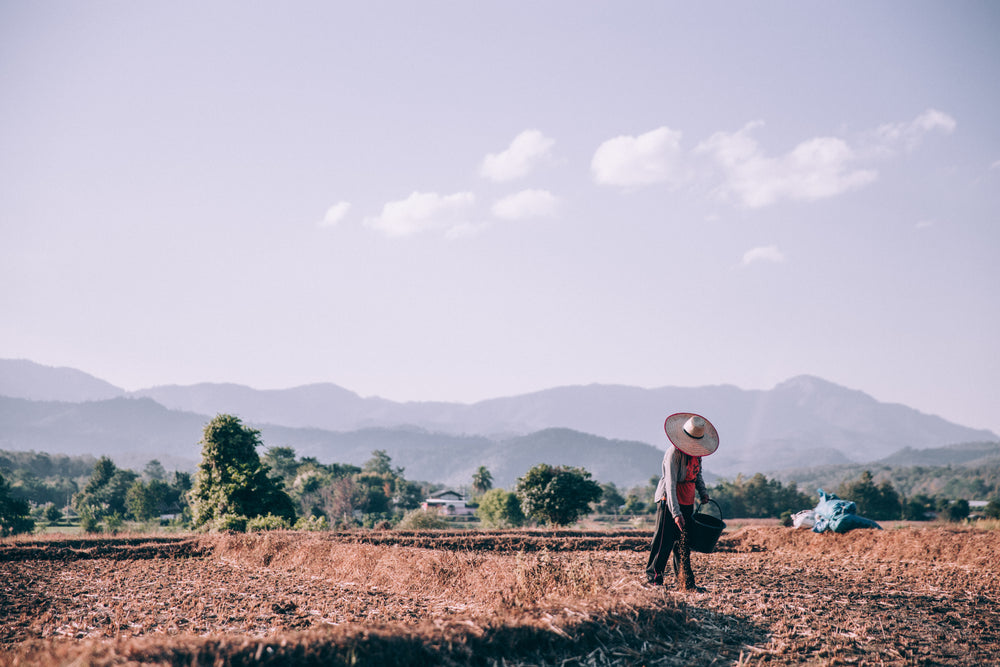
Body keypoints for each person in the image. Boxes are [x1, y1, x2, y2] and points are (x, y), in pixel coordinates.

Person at [645, 412, 719, 591]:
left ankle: (686, 583)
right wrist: (676, 513)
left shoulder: (697, 454)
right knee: (663, 542)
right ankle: (654, 579)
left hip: (687, 500)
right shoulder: (674, 454)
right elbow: (670, 484)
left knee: (683, 545)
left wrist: (703, 493)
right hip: (669, 501)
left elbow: (697, 473)